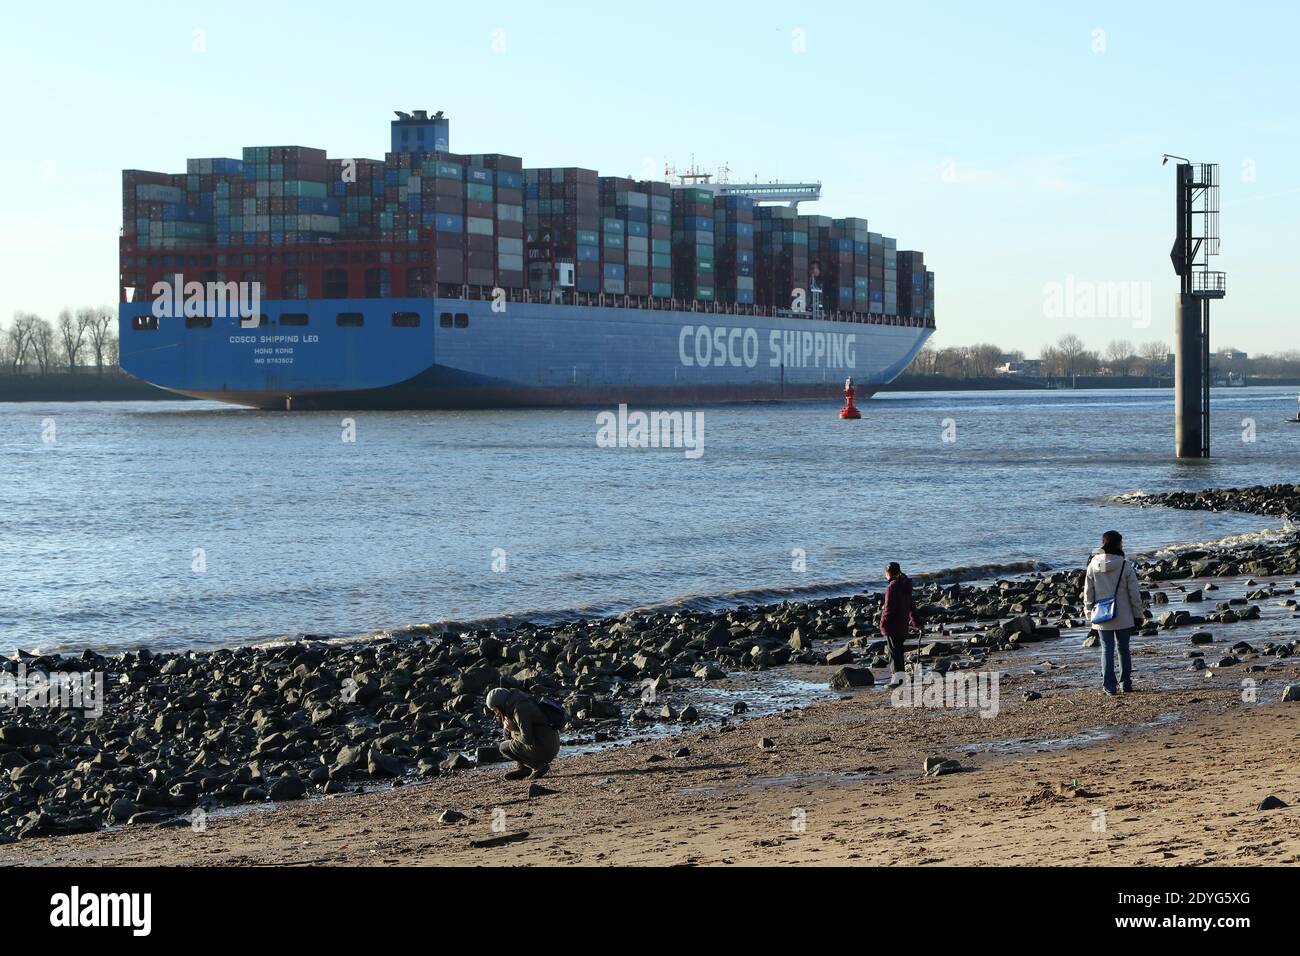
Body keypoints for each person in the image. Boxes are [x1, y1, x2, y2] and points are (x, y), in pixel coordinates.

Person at [1083, 530, 1146, 695]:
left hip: (1102, 615)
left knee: (1106, 649)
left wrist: (1089, 613)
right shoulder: (1125, 565)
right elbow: (1134, 593)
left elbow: (1088, 593)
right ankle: (1125, 684)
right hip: (1124, 615)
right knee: (1123, 649)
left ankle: (1109, 686)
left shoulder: (1093, 565)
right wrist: (1138, 614)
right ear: (1118, 544)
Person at [485, 687, 561, 780]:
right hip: (550, 744)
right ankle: (523, 769)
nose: (496, 713)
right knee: (509, 736)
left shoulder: (520, 709)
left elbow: (527, 739)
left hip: (545, 748)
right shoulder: (521, 701)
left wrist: (513, 729)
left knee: (503, 747)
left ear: (500, 705)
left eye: (495, 710)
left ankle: (537, 766)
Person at [880, 562, 922, 687]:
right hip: (902, 625)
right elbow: (911, 607)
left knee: (894, 654)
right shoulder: (905, 586)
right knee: (898, 652)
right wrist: (917, 622)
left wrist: (883, 622)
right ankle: (901, 679)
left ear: (888, 573)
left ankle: (897, 680)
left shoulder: (892, 587)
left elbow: (888, 608)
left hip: (893, 625)